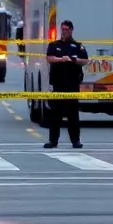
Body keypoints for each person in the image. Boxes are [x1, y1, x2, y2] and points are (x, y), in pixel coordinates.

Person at [44, 20, 88, 149]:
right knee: (55, 115)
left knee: (73, 115)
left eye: (67, 29)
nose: (64, 32)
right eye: (62, 29)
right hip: (58, 84)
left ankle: (76, 140)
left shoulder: (78, 46)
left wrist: (74, 60)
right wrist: (61, 59)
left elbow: (85, 60)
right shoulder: (54, 45)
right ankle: (53, 141)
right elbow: (49, 58)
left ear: (71, 30)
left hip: (72, 84)